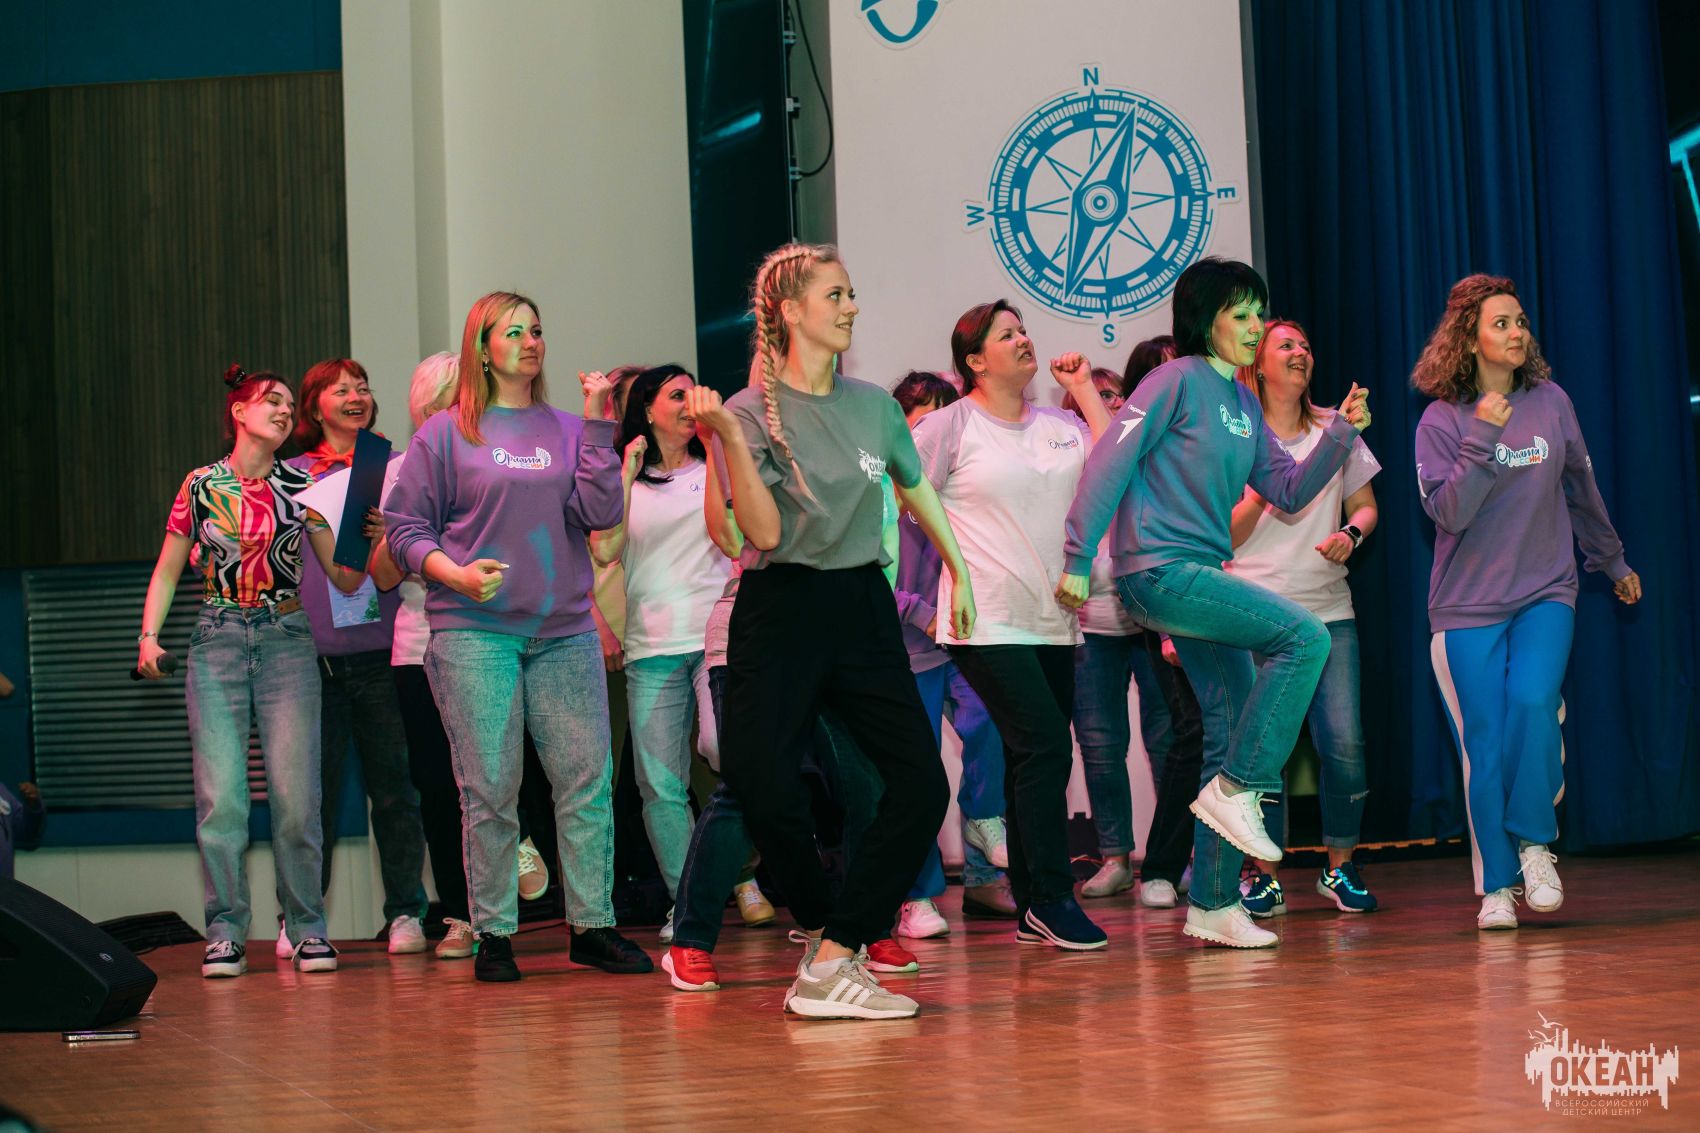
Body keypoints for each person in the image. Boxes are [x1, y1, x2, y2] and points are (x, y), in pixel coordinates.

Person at [695, 242, 975, 1019]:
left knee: (920, 785)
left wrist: (960, 570)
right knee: (759, 781)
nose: (852, 306)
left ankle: (837, 950)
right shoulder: (745, 413)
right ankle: (824, 937)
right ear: (790, 311)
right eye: (836, 295)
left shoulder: (875, 407)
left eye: (852, 294)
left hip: (860, 604)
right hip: (780, 604)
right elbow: (760, 532)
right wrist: (726, 439)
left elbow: (917, 490)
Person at [1058, 258, 1370, 948]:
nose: (1256, 327)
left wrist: (1340, 435)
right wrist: (1078, 556)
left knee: (1228, 730)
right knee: (1306, 638)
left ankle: (1214, 901)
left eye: (1261, 313)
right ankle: (1238, 791)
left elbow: (1289, 490)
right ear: (1206, 320)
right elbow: (1111, 458)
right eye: (1241, 314)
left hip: (1197, 575)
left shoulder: (1242, 404)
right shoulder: (1174, 380)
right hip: (1157, 571)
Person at [383, 291, 651, 981]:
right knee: (491, 788)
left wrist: (599, 424)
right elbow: (405, 532)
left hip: (563, 630)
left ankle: (592, 926)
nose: (532, 341)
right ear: (482, 348)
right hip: (474, 633)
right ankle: (495, 933)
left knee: (586, 782)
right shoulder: (443, 435)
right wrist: (456, 573)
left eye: (537, 330)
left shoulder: (569, 427)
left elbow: (600, 511)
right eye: (514, 332)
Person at [1412, 274, 1640, 930]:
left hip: (1546, 588)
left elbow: (1582, 489)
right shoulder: (1440, 420)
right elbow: (1449, 513)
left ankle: (1536, 845)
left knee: (1535, 701)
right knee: (1485, 743)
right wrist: (1483, 434)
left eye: (1520, 321)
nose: (1518, 333)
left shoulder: (1552, 402)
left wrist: (1612, 560)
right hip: (1467, 605)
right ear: (1469, 339)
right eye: (1501, 323)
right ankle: (1496, 885)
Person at [136, 365, 374, 978]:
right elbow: (167, 569)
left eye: (291, 403)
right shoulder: (200, 484)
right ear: (239, 412)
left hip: (286, 636)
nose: (285, 410)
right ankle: (225, 933)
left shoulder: (304, 485)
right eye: (272, 400)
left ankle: (307, 928)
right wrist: (148, 637)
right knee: (222, 800)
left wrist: (370, 536)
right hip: (215, 636)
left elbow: (345, 578)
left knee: (297, 800)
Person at [913, 302, 1112, 949]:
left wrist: (1083, 390)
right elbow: (906, 495)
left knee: (1035, 755)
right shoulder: (949, 424)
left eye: (1023, 330)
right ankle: (1052, 898)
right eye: (1007, 334)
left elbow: (1116, 466)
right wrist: (956, 569)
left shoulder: (1060, 425)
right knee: (1046, 746)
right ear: (975, 360)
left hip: (1053, 618)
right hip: (985, 619)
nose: (1024, 339)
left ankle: (1031, 903)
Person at [1226, 320, 1382, 916]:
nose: (1300, 353)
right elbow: (1222, 533)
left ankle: (1340, 867)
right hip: (1255, 614)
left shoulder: (1334, 429)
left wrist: (1349, 534)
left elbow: (1365, 507)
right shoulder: (1238, 433)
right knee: (1265, 750)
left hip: (1328, 611)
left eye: (1306, 346)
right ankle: (1264, 873)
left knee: (1345, 745)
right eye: (1285, 345)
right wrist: (1269, 489)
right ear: (1258, 363)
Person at [284, 358, 429, 958]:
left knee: (396, 792)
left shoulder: (394, 467)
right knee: (308, 799)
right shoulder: (291, 476)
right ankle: (300, 920)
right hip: (310, 662)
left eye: (363, 387)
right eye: (340, 388)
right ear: (314, 406)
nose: (356, 396)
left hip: (383, 655)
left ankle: (406, 912)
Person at [590, 365, 735, 942]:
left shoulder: (715, 463)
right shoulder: (626, 475)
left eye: (693, 394)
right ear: (648, 410)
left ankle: (737, 866)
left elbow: (735, 536)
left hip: (717, 638)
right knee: (659, 786)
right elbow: (605, 550)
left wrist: (718, 447)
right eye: (677, 395)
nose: (689, 403)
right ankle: (688, 902)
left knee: (722, 749)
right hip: (651, 646)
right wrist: (625, 476)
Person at [888, 371, 1015, 937]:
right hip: (905, 653)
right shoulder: (880, 489)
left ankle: (985, 850)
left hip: (959, 643)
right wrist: (922, 613)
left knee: (991, 722)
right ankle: (916, 896)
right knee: (918, 772)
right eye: (921, 423)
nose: (932, 436)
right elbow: (870, 577)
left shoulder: (959, 486)